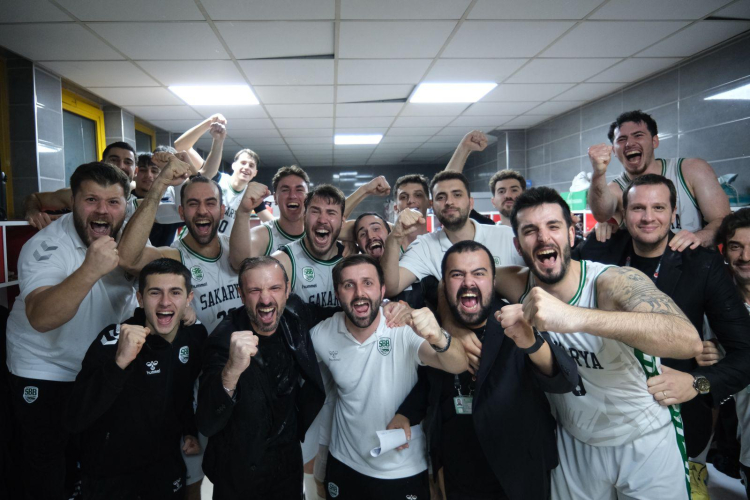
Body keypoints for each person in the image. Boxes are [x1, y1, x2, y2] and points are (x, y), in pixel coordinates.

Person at [494, 186, 702, 499]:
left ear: (571, 234)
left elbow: (687, 340)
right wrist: (458, 335)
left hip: (644, 437)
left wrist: (574, 317)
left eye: (553, 226)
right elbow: (455, 280)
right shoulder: (516, 283)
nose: (543, 238)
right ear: (518, 245)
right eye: (530, 230)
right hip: (574, 440)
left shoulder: (611, 281)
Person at [575, 174, 750, 499]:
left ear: (674, 213)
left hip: (673, 419)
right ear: (623, 214)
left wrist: (696, 383)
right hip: (599, 419)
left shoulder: (701, 264)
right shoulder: (598, 250)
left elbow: (745, 353)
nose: (648, 217)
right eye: (637, 208)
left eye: (658, 207)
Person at [388, 240, 578, 500]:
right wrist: (406, 413)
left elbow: (564, 379)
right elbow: (431, 380)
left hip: (518, 474)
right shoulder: (436, 325)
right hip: (458, 473)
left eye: (479, 273)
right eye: (457, 275)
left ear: (493, 281)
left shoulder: (517, 320)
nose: (468, 282)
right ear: (445, 283)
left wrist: (531, 342)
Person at [6, 162, 138, 499]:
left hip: (96, 366)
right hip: (43, 366)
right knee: (45, 465)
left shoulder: (130, 236)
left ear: (126, 206)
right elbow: (41, 317)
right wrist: (90, 269)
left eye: (113, 202)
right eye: (91, 200)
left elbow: (154, 268)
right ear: (73, 202)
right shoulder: (46, 246)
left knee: (98, 459)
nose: (102, 211)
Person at [311, 255, 468, 500]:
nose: (359, 293)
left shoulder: (402, 326)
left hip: (401, 469)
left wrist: (439, 337)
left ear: (382, 289)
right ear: (337, 293)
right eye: (349, 285)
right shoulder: (323, 333)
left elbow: (458, 364)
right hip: (343, 463)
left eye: (368, 283)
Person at [64, 258, 207, 499]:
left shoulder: (194, 336)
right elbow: (74, 417)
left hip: (165, 468)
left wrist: (189, 430)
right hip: (110, 476)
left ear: (188, 299)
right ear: (140, 298)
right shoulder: (113, 340)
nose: (165, 302)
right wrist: (119, 363)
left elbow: (182, 390)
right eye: (155, 292)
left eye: (175, 292)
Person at [196, 256, 333, 499]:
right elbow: (207, 422)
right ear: (241, 294)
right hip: (240, 471)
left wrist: (387, 309)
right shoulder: (222, 341)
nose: (266, 299)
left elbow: (338, 312)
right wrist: (232, 370)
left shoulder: (295, 314)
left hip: (287, 465)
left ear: (287, 290)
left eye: (274, 288)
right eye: (255, 290)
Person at [118, 152, 242, 335]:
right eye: (193, 204)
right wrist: (160, 184)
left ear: (222, 211)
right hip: (202, 352)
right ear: (182, 213)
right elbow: (128, 259)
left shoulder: (237, 249)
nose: (202, 211)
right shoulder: (174, 258)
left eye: (210, 203)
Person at [587, 109, 730, 247]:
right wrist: (598, 173)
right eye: (622, 139)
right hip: (644, 263)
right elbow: (601, 214)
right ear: (614, 150)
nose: (629, 143)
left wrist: (698, 239)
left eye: (638, 135)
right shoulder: (616, 189)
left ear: (654, 141)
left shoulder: (692, 170)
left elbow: (723, 220)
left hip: (694, 259)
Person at [381, 170, 522, 298]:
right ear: (432, 206)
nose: (449, 202)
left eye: (457, 195)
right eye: (441, 197)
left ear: (470, 203)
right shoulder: (425, 247)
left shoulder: (508, 236)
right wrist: (394, 238)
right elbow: (391, 287)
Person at [173, 114, 274, 233]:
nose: (246, 167)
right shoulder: (214, 176)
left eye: (251, 165)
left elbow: (273, 224)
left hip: (224, 245)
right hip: (196, 240)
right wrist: (209, 122)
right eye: (243, 163)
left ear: (255, 173)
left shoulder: (250, 195)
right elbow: (181, 146)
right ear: (234, 165)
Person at [24, 141, 138, 228]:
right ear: (102, 163)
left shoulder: (139, 204)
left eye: (128, 162)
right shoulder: (80, 194)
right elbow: (35, 198)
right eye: (114, 160)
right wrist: (33, 213)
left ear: (136, 171)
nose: (120, 166)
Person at [716, 209, 750, 499]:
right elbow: (704, 385)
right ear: (724, 251)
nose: (745, 257)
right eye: (736, 247)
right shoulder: (715, 309)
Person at [444, 130, 497, 225]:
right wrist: (464, 148)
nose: (508, 195)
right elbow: (447, 184)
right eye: (501, 191)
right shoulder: (487, 226)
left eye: (514, 190)